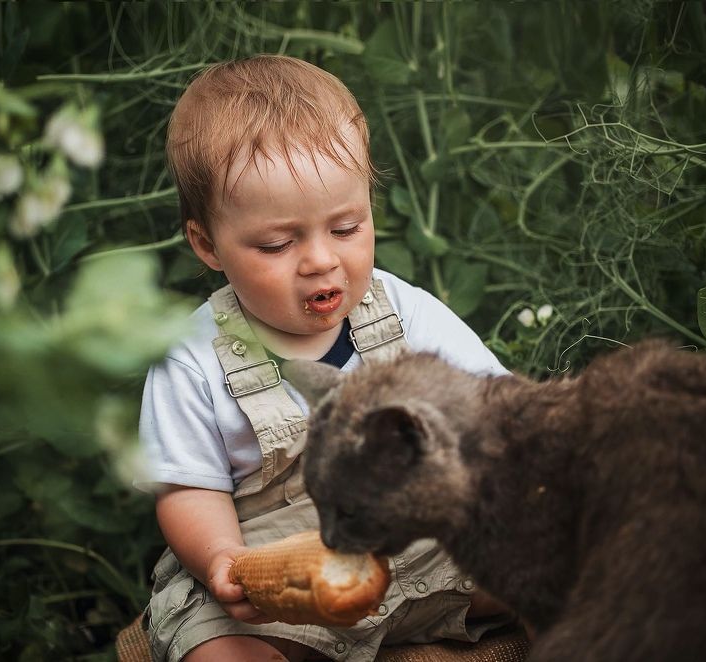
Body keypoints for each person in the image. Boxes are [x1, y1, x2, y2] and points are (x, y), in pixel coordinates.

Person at [137, 54, 512, 662]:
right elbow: (187, 490)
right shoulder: (190, 360)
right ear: (207, 244)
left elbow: (493, 407)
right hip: (275, 580)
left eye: (346, 228)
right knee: (215, 649)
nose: (319, 260)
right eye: (278, 243)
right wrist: (221, 561)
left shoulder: (407, 312)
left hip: (414, 544)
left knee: (555, 565)